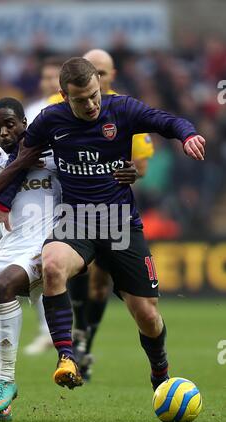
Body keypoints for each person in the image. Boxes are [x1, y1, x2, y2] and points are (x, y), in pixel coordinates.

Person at [0, 58, 205, 400]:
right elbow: (21, 162)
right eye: (81, 99)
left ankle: (160, 372)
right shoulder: (50, 120)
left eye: (94, 95)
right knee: (52, 262)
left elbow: (165, 120)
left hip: (119, 223)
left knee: (147, 315)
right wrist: (3, 203)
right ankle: (67, 357)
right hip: (76, 220)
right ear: (63, 96)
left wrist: (187, 135)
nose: (91, 104)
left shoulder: (122, 109)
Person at [0, 97, 61, 422]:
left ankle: (7, 379)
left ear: (23, 123)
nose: (4, 132)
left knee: (5, 285)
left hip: (46, 245)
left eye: (10, 124)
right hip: (9, 248)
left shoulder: (51, 154)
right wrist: (20, 163)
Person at [68, 49, 155, 381]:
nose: (99, 79)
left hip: (113, 211)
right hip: (72, 209)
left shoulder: (123, 109)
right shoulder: (59, 105)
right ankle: (76, 338)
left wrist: (123, 170)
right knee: (76, 267)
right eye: (94, 72)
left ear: (112, 74)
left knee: (101, 283)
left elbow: (142, 163)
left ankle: (84, 345)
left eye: (103, 73)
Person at [23, 56, 65, 355]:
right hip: (38, 198)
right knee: (42, 263)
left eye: (55, 77)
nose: (50, 82)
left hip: (71, 195)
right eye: (46, 77)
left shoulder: (76, 109)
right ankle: (49, 330)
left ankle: (70, 332)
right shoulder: (31, 111)